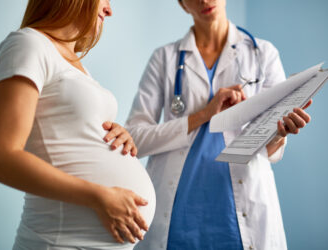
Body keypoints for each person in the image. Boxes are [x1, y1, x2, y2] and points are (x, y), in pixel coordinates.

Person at [125, 0, 312, 249]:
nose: (204, 0)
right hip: (178, 213)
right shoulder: (164, 59)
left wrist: (280, 134)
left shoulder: (263, 53)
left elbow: (269, 150)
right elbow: (134, 139)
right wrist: (205, 113)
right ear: (181, 4)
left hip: (240, 210)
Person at [0, 0, 156, 249]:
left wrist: (115, 135)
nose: (109, 10)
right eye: (105, 0)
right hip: (58, 242)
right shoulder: (29, 44)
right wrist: (100, 197)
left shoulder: (77, 66)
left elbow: (66, 131)